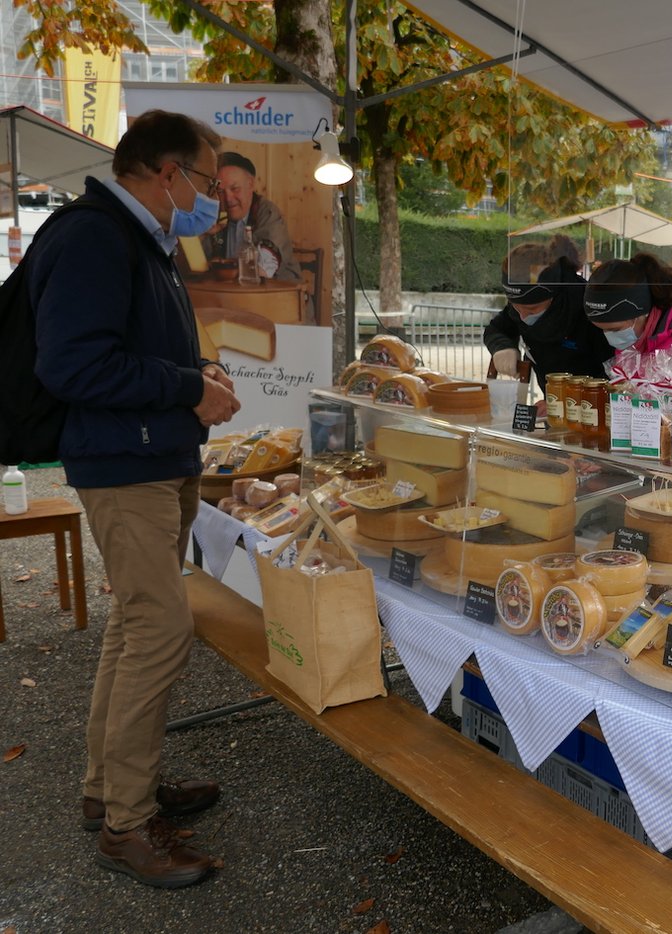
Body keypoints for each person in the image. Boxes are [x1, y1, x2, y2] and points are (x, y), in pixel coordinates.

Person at [30, 110, 240, 888]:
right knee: (160, 630)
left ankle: (112, 789)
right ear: (165, 174)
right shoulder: (93, 235)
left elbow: (135, 348)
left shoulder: (138, 237)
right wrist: (187, 387)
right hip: (126, 466)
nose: (211, 199)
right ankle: (127, 825)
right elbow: (74, 366)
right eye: (206, 183)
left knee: (136, 627)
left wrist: (201, 375)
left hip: (153, 457)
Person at [483, 235, 613, 392]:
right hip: (551, 396)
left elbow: (612, 371)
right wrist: (502, 347)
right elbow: (496, 329)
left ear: (554, 296)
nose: (523, 317)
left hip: (593, 400)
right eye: (517, 307)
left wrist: (562, 399)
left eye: (533, 309)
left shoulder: (587, 307)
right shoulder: (521, 306)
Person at [582, 253, 672, 361]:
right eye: (603, 329)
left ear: (643, 313)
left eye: (615, 330)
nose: (609, 337)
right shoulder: (637, 337)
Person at [201, 151, 301, 282]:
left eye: (235, 189)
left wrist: (224, 267)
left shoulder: (267, 212)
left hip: (281, 296)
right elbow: (199, 265)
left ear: (250, 184)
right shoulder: (218, 217)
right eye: (220, 191)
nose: (228, 198)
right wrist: (202, 233)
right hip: (230, 296)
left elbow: (263, 268)